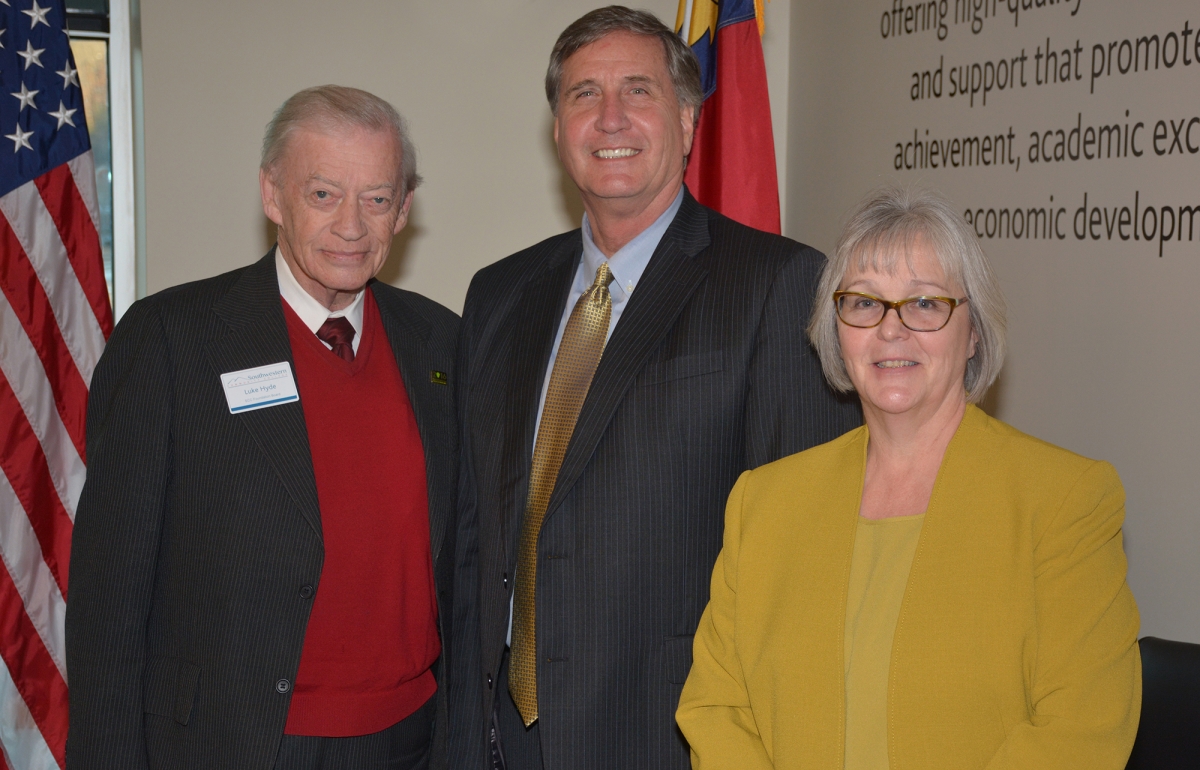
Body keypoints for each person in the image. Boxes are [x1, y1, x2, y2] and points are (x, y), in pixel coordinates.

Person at [448, 7, 860, 769]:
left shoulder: (778, 285)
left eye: (637, 90)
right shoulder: (498, 294)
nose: (610, 117)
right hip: (502, 730)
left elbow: (802, 561)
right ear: (557, 127)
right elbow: (474, 532)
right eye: (583, 94)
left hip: (671, 730)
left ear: (687, 116)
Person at [677, 185, 1142, 769]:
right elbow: (715, 709)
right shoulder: (764, 503)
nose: (891, 330)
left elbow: (1082, 729)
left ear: (973, 332)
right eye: (864, 303)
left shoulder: (1063, 500)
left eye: (925, 303)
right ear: (835, 329)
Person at [66, 86, 458, 770]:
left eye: (376, 198)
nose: (351, 227)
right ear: (273, 195)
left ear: (404, 211)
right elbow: (109, 601)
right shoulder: (172, 341)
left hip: (412, 739)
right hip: (235, 740)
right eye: (324, 194)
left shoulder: (443, 344)